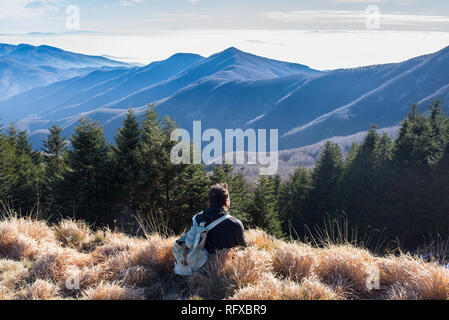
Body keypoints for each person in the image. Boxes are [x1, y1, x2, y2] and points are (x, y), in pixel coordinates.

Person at [182, 183, 247, 265]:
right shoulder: (235, 223)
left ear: (210, 201)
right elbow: (244, 251)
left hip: (198, 269)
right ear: (227, 202)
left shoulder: (197, 219)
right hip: (224, 272)